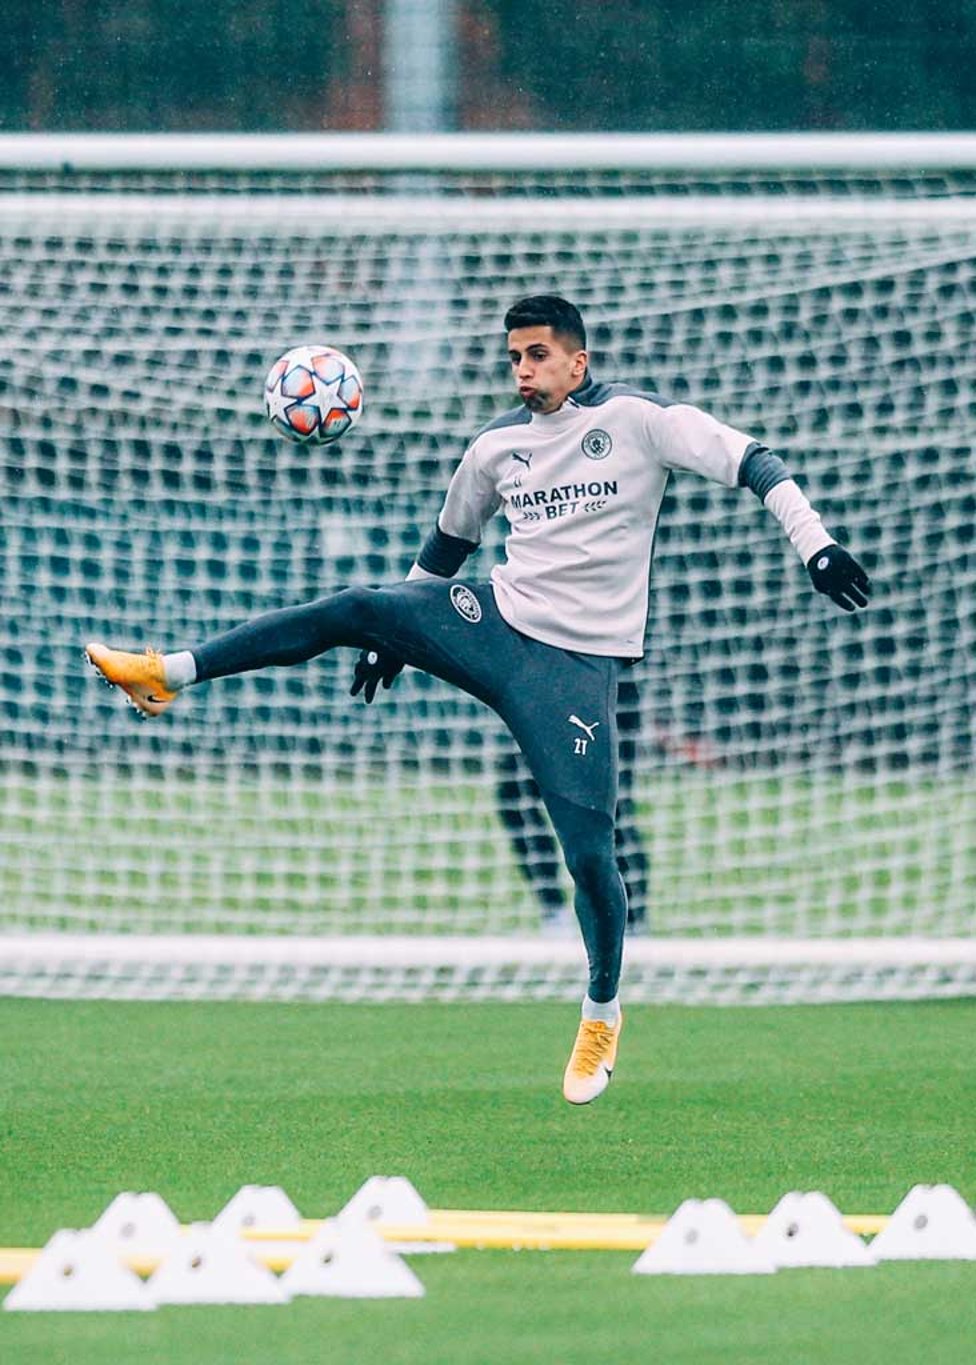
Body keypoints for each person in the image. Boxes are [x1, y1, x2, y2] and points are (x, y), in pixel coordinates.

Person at [85, 294, 871, 1105]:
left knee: (592, 854)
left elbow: (755, 460)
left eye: (537, 356)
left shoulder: (641, 424)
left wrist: (815, 545)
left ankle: (601, 1011)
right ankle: (167, 672)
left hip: (574, 668)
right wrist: (399, 637)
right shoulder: (496, 446)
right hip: (496, 621)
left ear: (579, 361)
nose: (523, 372)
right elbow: (445, 549)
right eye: (514, 358)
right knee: (358, 604)